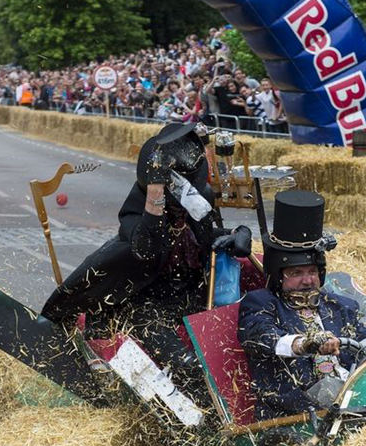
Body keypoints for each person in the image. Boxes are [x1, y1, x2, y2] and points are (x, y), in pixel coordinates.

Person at [41, 123, 252, 399]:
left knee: (234, 341)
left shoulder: (198, 200)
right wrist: (156, 195)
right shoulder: (136, 211)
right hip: (144, 302)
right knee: (185, 363)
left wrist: (239, 235)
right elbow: (146, 248)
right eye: (175, 194)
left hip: (189, 296)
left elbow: (209, 234)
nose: (182, 203)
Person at [238, 190, 366, 420]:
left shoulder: (339, 305)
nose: (307, 280)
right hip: (292, 414)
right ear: (279, 275)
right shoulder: (260, 303)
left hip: (352, 404)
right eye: (296, 273)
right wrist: (305, 344)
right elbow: (263, 337)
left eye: (312, 271)